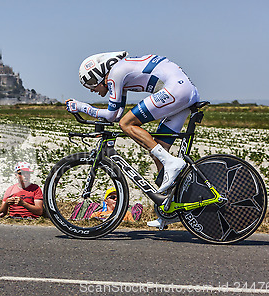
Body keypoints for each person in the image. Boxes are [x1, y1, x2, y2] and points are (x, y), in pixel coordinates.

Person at [67, 51, 199, 228]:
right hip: (183, 91)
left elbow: (115, 116)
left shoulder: (115, 74)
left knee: (127, 124)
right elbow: (114, 114)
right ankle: (168, 209)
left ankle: (172, 164)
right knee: (159, 151)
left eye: (91, 85)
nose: (91, 90)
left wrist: (82, 107)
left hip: (176, 89)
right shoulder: (119, 75)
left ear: (98, 75)